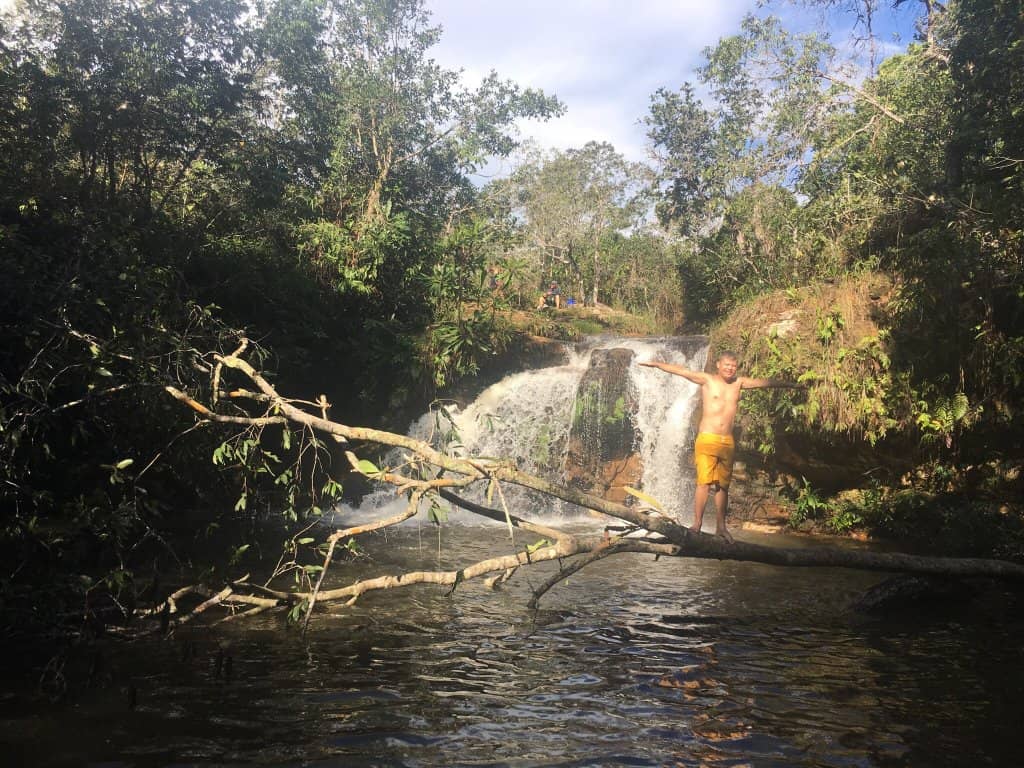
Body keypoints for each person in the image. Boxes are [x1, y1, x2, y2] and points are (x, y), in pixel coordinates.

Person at [639, 352, 803, 543]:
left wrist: (791, 384)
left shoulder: (739, 383)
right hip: (707, 438)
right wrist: (656, 364)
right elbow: (682, 371)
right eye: (726, 365)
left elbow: (765, 382)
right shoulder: (707, 380)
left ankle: (721, 527)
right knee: (703, 483)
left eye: (733, 366)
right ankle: (697, 524)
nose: (730, 369)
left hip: (727, 441)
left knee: (723, 486)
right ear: (718, 365)